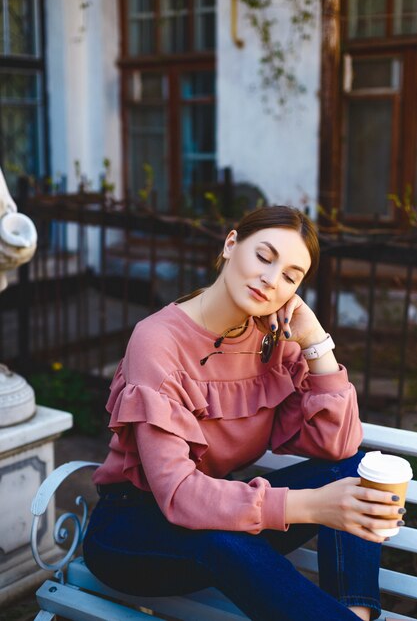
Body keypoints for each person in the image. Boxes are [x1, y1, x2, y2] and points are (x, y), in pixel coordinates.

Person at [84, 205, 404, 621]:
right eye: (264, 256)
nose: (271, 280)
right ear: (232, 244)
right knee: (224, 540)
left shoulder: (276, 337)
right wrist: (313, 506)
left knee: (356, 468)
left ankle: (355, 613)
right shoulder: (157, 340)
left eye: (290, 276)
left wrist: (315, 341)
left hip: (220, 518)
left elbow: (338, 445)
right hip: (133, 529)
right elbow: (178, 494)